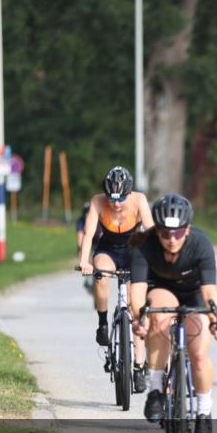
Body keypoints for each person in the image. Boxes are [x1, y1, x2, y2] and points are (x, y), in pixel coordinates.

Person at [130, 194, 217, 433]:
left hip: (194, 294)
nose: (172, 240)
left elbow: (209, 291)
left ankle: (204, 411)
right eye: (165, 234)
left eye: (178, 233)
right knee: (158, 315)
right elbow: (137, 291)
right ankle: (155, 390)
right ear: (157, 231)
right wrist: (139, 317)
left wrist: (216, 319)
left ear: (188, 229)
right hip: (161, 290)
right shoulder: (145, 245)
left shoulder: (201, 243)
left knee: (199, 355)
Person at [78, 167, 154, 389]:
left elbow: (149, 230)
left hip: (134, 252)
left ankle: (139, 366)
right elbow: (89, 234)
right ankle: (102, 323)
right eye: (112, 198)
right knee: (101, 274)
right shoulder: (98, 202)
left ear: (129, 193)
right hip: (108, 250)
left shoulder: (139, 200)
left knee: (137, 307)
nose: (116, 203)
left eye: (121, 198)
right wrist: (85, 262)